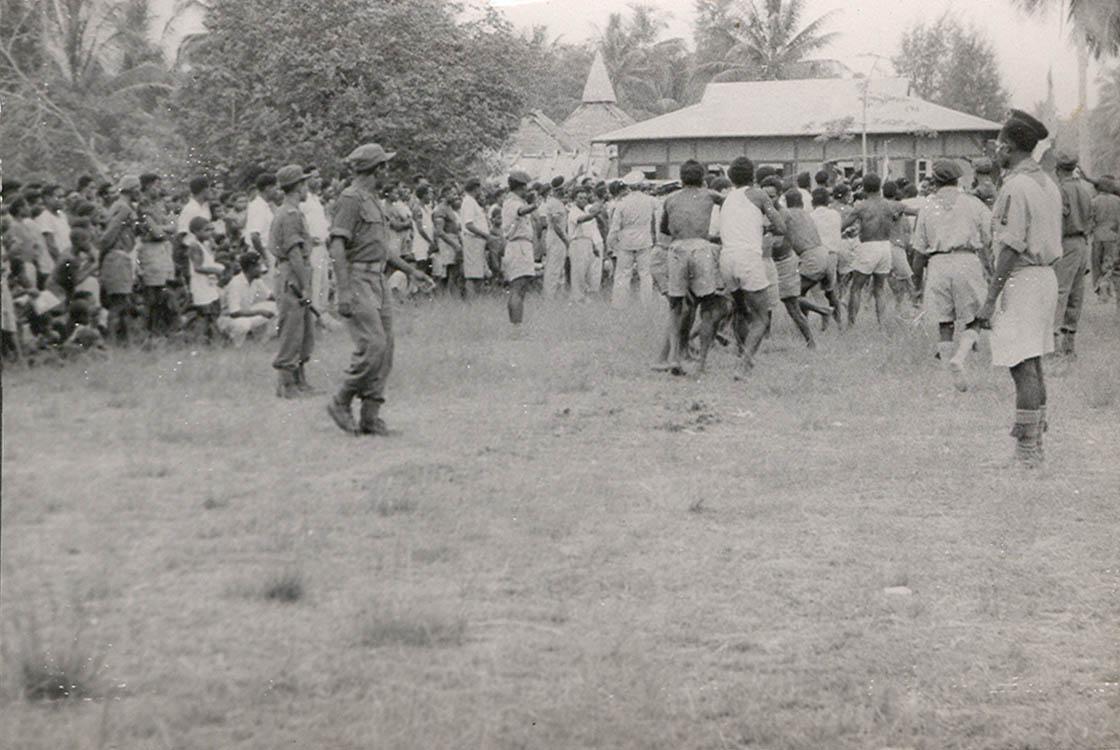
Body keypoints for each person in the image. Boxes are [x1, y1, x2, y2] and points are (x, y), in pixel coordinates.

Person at [326, 144, 434, 435]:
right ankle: (342, 399)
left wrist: (411, 271)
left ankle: (371, 416)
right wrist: (344, 290)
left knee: (386, 347)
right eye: (384, 166)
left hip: (378, 280)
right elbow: (337, 245)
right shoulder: (350, 199)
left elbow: (381, 249)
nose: (388, 171)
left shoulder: (372, 200)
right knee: (373, 344)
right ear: (377, 169)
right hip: (358, 278)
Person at [975, 110, 1062, 467]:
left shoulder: (1015, 186)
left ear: (1008, 147)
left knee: (1021, 365)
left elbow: (1011, 247)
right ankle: (1033, 446)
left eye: (999, 146)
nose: (996, 152)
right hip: (1044, 279)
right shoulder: (1047, 183)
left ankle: (1027, 452)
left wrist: (990, 300)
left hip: (1022, 280)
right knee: (1033, 363)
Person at [910, 159, 992, 391]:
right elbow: (987, 238)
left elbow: (918, 250)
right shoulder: (973, 204)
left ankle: (948, 373)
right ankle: (961, 356)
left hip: (937, 263)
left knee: (944, 320)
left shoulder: (927, 207)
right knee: (976, 317)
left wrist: (916, 283)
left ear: (934, 181)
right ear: (958, 179)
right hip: (966, 259)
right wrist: (989, 266)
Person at [720, 157, 784, 380]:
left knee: (741, 311)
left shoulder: (728, 198)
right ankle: (744, 365)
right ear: (753, 175)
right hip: (748, 258)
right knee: (760, 319)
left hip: (726, 258)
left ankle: (741, 355)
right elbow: (781, 226)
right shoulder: (758, 195)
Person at [658, 159, 722, 373]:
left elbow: (664, 228)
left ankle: (674, 357)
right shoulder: (711, 195)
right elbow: (729, 203)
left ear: (681, 178)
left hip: (677, 249)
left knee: (676, 308)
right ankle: (702, 362)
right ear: (702, 177)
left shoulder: (670, 198)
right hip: (701, 247)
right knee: (707, 308)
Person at [841, 173, 916, 327]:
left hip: (868, 247)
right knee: (879, 289)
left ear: (864, 188)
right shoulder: (891, 205)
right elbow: (915, 211)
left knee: (856, 288)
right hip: (885, 247)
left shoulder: (861, 206)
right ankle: (881, 325)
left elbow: (842, 225)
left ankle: (850, 325)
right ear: (880, 187)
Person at [268, 165, 316, 397]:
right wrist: (305, 284)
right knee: (292, 329)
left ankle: (299, 380)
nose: (307, 188)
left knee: (304, 329)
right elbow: (294, 252)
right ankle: (287, 384)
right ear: (298, 186)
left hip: (296, 273)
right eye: (304, 183)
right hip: (293, 275)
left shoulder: (291, 212)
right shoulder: (289, 214)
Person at [1051, 151, 1095, 361]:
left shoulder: (1060, 191)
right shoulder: (1085, 190)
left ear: (1059, 170)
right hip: (1082, 242)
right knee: (1076, 294)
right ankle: (1069, 345)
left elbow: (1058, 221)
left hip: (1066, 242)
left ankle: (1054, 344)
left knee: (1060, 292)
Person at [99, 175, 141, 345]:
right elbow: (109, 235)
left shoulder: (124, 206)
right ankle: (111, 342)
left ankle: (124, 342)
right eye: (137, 189)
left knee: (123, 303)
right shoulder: (123, 208)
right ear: (131, 190)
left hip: (122, 256)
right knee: (118, 303)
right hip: (117, 256)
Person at [136, 173, 177, 339]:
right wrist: (165, 227)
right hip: (149, 249)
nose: (158, 189)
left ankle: (159, 331)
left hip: (162, 250)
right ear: (146, 186)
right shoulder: (142, 204)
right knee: (152, 293)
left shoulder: (159, 204)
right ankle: (148, 332)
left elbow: (174, 225)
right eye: (156, 185)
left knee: (162, 291)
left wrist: (164, 227)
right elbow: (157, 232)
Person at [608, 179, 656, 308]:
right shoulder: (650, 200)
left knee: (623, 273)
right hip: (645, 239)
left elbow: (615, 226)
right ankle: (647, 303)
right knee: (645, 273)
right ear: (640, 185)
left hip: (626, 240)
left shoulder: (622, 203)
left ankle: (620, 304)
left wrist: (611, 242)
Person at [300, 167, 338, 329]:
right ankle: (313, 319)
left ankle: (323, 315)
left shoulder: (316, 200)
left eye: (319, 176)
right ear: (307, 180)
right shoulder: (304, 201)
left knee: (324, 282)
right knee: (314, 283)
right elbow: (301, 223)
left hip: (323, 245)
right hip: (312, 247)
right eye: (315, 177)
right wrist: (308, 239)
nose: (319, 180)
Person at [500, 170, 539, 325]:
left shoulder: (516, 201)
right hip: (518, 245)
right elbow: (521, 211)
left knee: (521, 288)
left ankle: (516, 324)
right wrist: (535, 204)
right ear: (520, 187)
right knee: (518, 287)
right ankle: (516, 325)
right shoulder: (512, 202)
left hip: (522, 245)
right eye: (525, 188)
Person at [218, 251, 276, 346]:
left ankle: (261, 342)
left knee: (275, 307)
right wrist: (260, 312)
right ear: (250, 268)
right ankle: (234, 345)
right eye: (258, 266)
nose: (261, 270)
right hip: (228, 319)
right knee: (243, 324)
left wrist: (287, 299)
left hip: (245, 313)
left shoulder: (256, 280)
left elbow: (270, 296)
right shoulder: (236, 283)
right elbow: (234, 312)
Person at [185, 216, 224, 345]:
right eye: (205, 230)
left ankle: (210, 340)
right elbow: (197, 268)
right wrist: (215, 270)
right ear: (195, 232)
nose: (209, 233)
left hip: (209, 283)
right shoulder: (194, 246)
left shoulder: (205, 244)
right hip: (200, 284)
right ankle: (199, 340)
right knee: (204, 314)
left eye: (210, 229)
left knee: (212, 313)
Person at [567, 186, 602, 304]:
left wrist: (593, 246)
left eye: (584, 198)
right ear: (575, 199)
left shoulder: (585, 210)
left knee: (588, 271)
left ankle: (583, 296)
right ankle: (577, 297)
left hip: (587, 242)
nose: (583, 200)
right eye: (580, 198)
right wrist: (593, 214)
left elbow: (589, 231)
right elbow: (581, 220)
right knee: (578, 272)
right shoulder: (573, 211)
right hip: (577, 242)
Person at [1090, 176, 1120, 302]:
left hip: (1098, 235)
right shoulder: (1117, 201)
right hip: (1113, 235)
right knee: (1110, 263)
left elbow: (1090, 220)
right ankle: (1109, 289)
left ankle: (1101, 291)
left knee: (1097, 264)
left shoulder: (1094, 201)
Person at [460, 178, 491, 300]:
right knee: (472, 274)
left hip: (477, 241)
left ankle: (476, 301)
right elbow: (469, 224)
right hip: (472, 240)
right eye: (479, 188)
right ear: (475, 188)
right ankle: (471, 302)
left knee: (478, 273)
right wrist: (485, 235)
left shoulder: (472, 202)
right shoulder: (468, 202)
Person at [432, 184, 463, 296]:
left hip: (453, 239)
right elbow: (439, 231)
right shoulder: (440, 209)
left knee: (454, 271)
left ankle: (450, 295)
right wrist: (454, 244)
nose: (455, 197)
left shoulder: (450, 208)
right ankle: (442, 296)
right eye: (452, 194)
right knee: (445, 271)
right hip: (447, 242)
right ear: (445, 194)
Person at [542, 175, 569, 298]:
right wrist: (565, 239)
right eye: (563, 188)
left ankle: (558, 295)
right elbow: (555, 225)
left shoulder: (557, 202)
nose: (565, 190)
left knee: (559, 267)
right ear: (558, 190)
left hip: (558, 238)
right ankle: (550, 295)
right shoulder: (554, 203)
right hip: (556, 238)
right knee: (554, 267)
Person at [246, 173, 278, 272]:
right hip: (261, 252)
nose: (277, 191)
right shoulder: (258, 206)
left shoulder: (265, 206)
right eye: (275, 188)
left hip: (268, 251)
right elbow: (254, 236)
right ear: (268, 188)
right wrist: (265, 257)